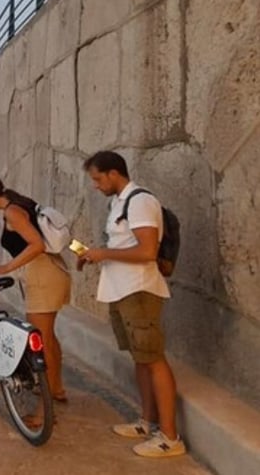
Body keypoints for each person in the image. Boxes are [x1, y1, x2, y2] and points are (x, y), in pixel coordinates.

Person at [78, 150, 185, 458]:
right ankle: (147, 421)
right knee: (141, 359)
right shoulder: (120, 203)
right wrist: (95, 255)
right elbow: (124, 245)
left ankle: (170, 437)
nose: (96, 186)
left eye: (98, 179)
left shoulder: (140, 201)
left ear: (114, 173)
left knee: (153, 359)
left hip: (139, 291)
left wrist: (103, 254)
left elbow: (147, 251)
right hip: (121, 291)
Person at [0, 174, 71, 413]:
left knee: (42, 343)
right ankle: (56, 389)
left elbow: (37, 244)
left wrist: (7, 268)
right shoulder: (23, 203)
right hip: (52, 272)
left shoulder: (12, 212)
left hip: (42, 275)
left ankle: (46, 411)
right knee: (48, 338)